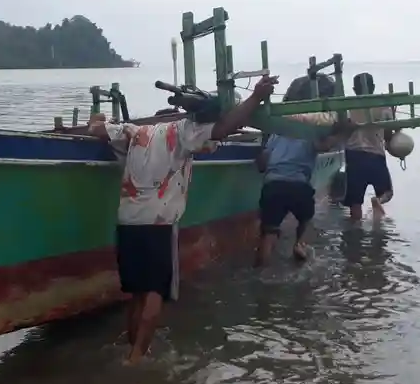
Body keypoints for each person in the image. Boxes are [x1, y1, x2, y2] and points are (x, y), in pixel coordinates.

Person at [84, 76, 277, 364]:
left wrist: (98, 118)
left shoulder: (136, 131)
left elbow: (97, 129)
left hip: (127, 221)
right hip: (159, 223)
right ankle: (137, 359)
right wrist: (256, 97)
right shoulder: (185, 131)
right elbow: (225, 128)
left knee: (137, 292)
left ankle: (132, 348)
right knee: (155, 291)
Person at [254, 113, 355, 265]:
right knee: (306, 219)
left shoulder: (276, 135)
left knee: (269, 234)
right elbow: (325, 146)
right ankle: (299, 243)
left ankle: (262, 269)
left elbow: (262, 163)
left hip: (273, 185)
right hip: (299, 186)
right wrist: (344, 133)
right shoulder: (309, 134)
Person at [343, 72, 396, 221]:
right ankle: (378, 201)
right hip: (375, 155)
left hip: (353, 156)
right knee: (387, 193)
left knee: (355, 202)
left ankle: (356, 230)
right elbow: (388, 136)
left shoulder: (346, 106)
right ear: (373, 87)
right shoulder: (383, 106)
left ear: (354, 90)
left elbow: (341, 130)